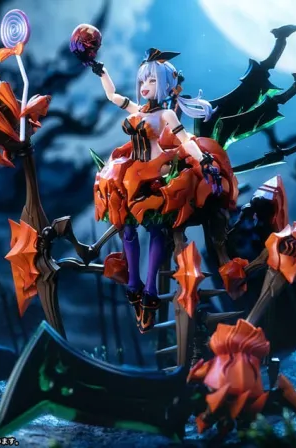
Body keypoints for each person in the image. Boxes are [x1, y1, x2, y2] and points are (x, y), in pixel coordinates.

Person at [84, 48, 238, 333]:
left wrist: (204, 159)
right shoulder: (138, 110)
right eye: (143, 80)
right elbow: (112, 96)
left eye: (152, 80)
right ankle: (134, 283)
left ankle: (151, 289)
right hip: (132, 176)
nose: (145, 86)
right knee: (127, 229)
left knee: (156, 231)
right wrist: (101, 71)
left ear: (165, 83)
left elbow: (186, 140)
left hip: (156, 177)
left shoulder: (167, 114)